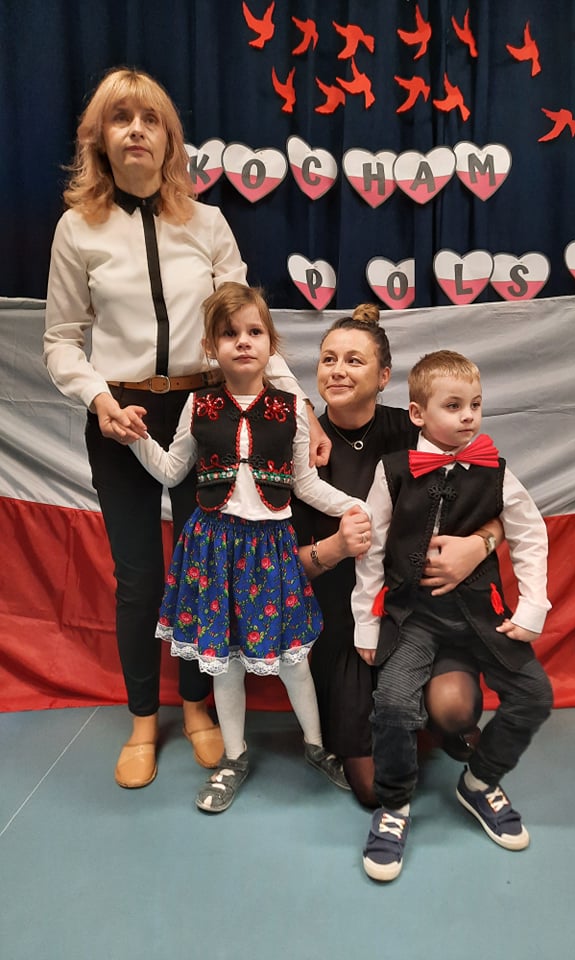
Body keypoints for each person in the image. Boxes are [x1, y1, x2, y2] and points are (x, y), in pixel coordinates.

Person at [43, 67, 329, 789]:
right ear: (100, 139)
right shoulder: (78, 229)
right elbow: (61, 341)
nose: (136, 130)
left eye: (151, 119)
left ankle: (198, 707)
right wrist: (98, 398)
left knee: (208, 571)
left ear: (170, 139)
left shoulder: (207, 224)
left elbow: (247, 329)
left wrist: (301, 407)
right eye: (121, 119)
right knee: (139, 576)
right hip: (123, 419)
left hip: (207, 415)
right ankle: (145, 718)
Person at [130, 282, 368, 811]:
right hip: (213, 550)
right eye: (229, 333)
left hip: (272, 551)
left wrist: (356, 505)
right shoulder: (198, 404)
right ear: (211, 347)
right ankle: (234, 756)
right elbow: (171, 470)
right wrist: (135, 437)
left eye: (254, 331)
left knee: (294, 663)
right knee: (226, 662)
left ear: (271, 344)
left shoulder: (292, 407)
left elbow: (305, 484)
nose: (243, 341)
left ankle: (316, 746)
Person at [352, 350, 553, 882]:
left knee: (535, 695)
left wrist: (532, 606)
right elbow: (372, 551)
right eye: (454, 405)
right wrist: (366, 622)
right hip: (414, 617)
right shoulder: (393, 471)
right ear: (418, 414)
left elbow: (530, 534)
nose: (468, 416)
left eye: (476, 405)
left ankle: (480, 782)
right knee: (393, 702)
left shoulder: (496, 471)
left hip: (483, 616)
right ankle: (394, 805)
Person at [291, 306, 504, 807]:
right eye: (328, 359)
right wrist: (335, 548)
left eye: (354, 360)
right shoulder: (303, 448)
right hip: (348, 627)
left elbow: (498, 507)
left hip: (421, 612)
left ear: (384, 376)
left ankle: (435, 718)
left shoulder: (417, 430)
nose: (338, 370)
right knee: (373, 791)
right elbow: (281, 564)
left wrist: (478, 545)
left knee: (455, 709)